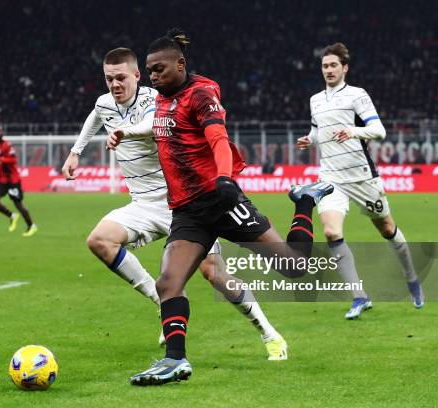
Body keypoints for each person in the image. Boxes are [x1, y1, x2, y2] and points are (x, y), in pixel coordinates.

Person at [109, 29, 333, 386]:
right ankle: (175, 361)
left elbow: (217, 137)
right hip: (186, 210)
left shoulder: (201, 93)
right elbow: (158, 128)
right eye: (149, 70)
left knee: (294, 267)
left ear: (180, 65)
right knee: (169, 283)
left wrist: (226, 179)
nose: (153, 76)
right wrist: (128, 133)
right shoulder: (162, 100)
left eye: (159, 69)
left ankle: (305, 201)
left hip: (220, 200)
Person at [63, 47, 288, 359]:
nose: (115, 84)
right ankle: (160, 302)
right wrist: (76, 151)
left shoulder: (154, 99)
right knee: (99, 240)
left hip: (181, 203)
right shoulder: (104, 104)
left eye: (121, 78)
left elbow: (153, 125)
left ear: (137, 76)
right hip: (141, 203)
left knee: (215, 275)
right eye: (108, 79)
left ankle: (268, 332)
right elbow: (95, 116)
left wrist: (124, 132)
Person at [296, 43, 423, 319]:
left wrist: (353, 131)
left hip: (361, 176)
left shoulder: (357, 95)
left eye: (333, 65)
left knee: (387, 228)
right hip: (330, 176)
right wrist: (310, 139)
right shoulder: (315, 100)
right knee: (331, 232)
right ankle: (359, 296)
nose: (328, 70)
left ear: (345, 68)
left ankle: (412, 279)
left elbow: (379, 131)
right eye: (324, 66)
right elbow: (318, 130)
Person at [0, 125, 38, 237]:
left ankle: (31, 226)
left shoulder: (7, 145)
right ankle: (12, 216)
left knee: (18, 204)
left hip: (13, 180)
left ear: (2, 132)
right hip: (2, 179)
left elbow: (14, 159)